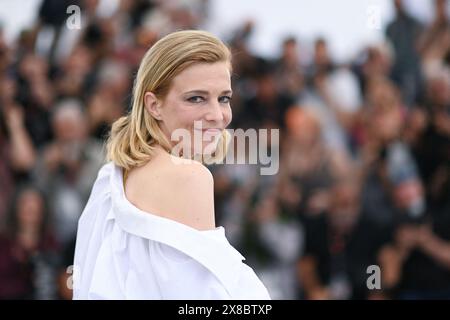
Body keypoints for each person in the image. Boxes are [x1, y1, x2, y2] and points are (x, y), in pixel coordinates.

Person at [72, 30, 271, 300]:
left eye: (223, 98)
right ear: (154, 105)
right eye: (196, 98)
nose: (216, 115)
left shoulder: (113, 175)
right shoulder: (189, 177)